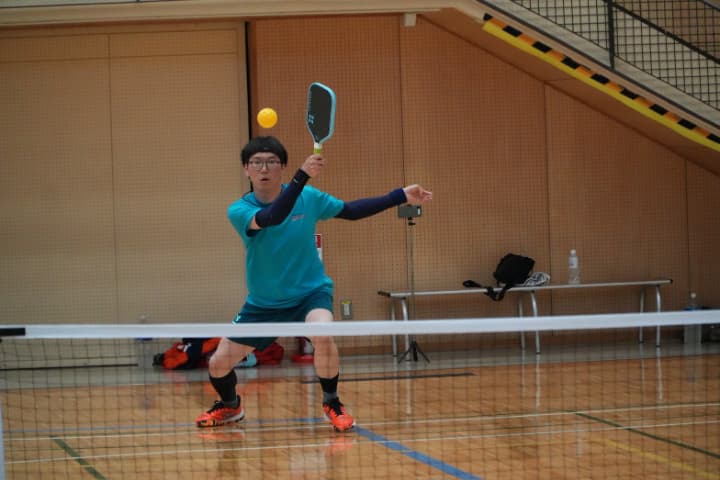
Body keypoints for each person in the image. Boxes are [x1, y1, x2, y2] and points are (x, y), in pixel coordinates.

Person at [196, 136, 433, 432]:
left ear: (282, 167)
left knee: (322, 332)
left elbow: (351, 210)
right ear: (246, 169)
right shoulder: (239, 210)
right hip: (263, 304)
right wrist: (303, 175)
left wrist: (399, 195)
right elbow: (271, 217)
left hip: (310, 294)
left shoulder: (308, 198)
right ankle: (231, 406)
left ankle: (332, 402)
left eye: (271, 162)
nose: (264, 168)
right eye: (256, 162)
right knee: (218, 364)